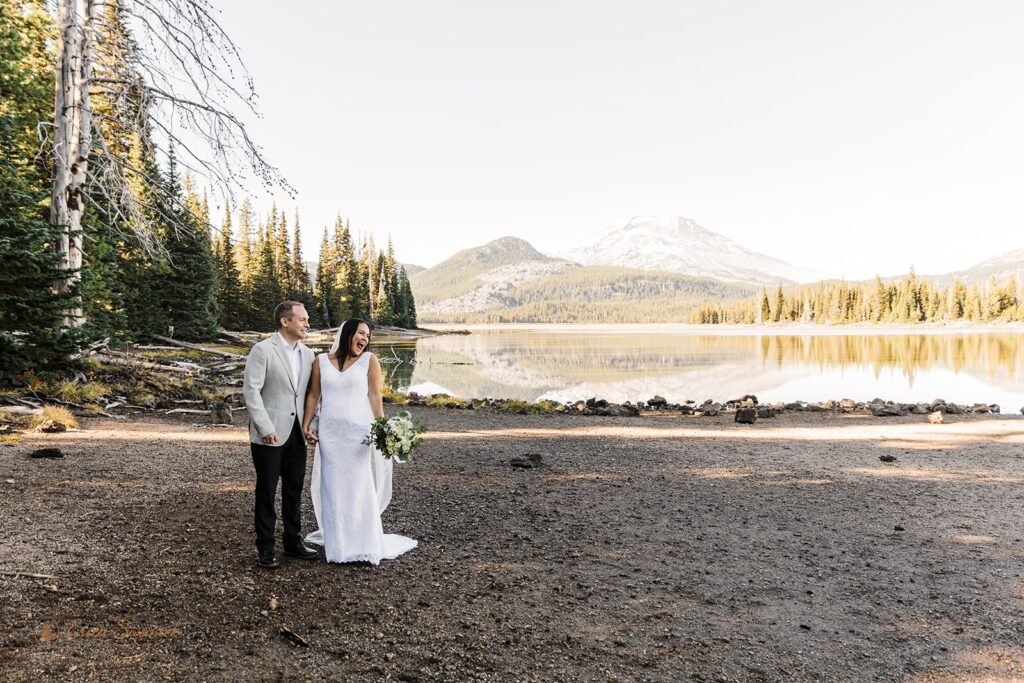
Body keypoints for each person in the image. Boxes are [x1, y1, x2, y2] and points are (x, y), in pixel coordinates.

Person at [302, 319, 417, 564]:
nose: (364, 339)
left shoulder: (369, 360)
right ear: (348, 333)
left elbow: (375, 397)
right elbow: (314, 395)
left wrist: (383, 429)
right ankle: (339, 547)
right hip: (331, 435)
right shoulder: (321, 361)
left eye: (367, 336)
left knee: (358, 488)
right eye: (360, 333)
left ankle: (364, 545)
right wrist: (307, 425)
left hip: (358, 436)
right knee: (333, 489)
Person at [241, 301, 320, 568]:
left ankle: (292, 541)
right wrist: (265, 427)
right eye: (302, 319)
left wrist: (311, 426)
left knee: (294, 489)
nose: (307, 324)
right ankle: (265, 547)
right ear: (285, 321)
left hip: (298, 432)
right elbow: (251, 392)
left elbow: (311, 395)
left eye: (307, 320)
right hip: (269, 435)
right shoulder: (262, 350)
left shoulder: (309, 355)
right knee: (266, 490)